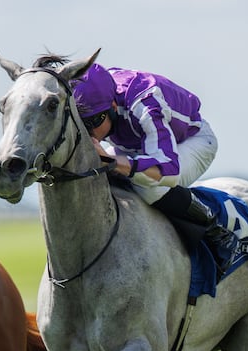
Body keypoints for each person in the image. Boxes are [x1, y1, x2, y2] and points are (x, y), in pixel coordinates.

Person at [71, 63, 238, 273]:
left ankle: (215, 229)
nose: (90, 134)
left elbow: (167, 170)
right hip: (140, 145)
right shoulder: (96, 93)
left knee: (149, 185)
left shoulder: (144, 102)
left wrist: (115, 163)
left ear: (113, 107)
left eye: (94, 122)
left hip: (190, 143)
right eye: (82, 125)